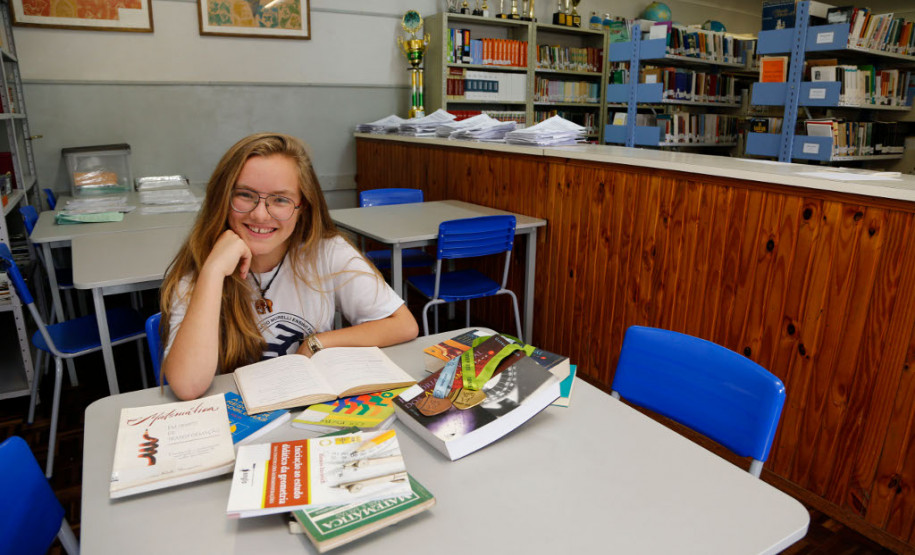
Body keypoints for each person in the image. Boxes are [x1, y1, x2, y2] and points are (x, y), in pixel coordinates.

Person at [159, 133, 419, 400]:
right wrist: (212, 273)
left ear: (302, 206)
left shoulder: (326, 252)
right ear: (222, 199)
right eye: (245, 195)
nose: (260, 214)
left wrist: (317, 343)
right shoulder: (200, 271)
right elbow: (187, 386)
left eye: (280, 200)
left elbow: (403, 325)